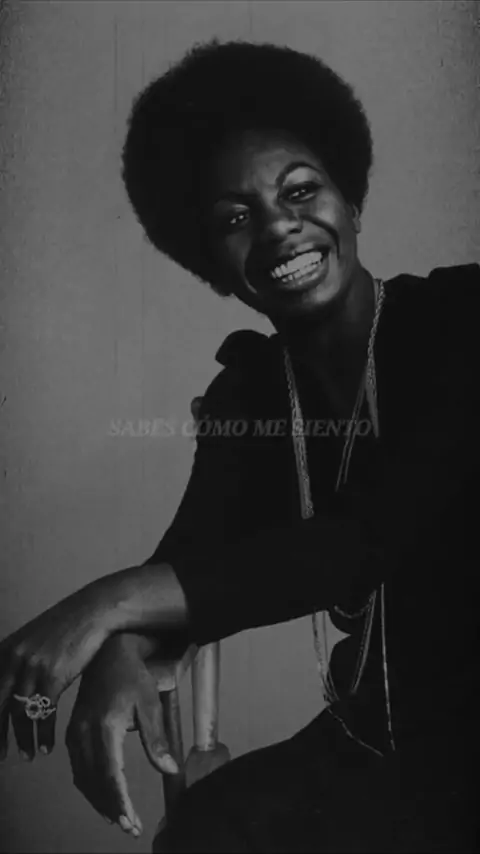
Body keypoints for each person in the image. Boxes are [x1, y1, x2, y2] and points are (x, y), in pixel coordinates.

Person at [0, 39, 478, 853]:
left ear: (351, 201)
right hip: (376, 747)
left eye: (301, 190)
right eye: (235, 217)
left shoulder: (460, 321)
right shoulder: (252, 392)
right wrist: (122, 649)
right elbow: (195, 555)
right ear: (212, 265)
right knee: (204, 836)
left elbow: (360, 544)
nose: (279, 225)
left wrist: (98, 608)